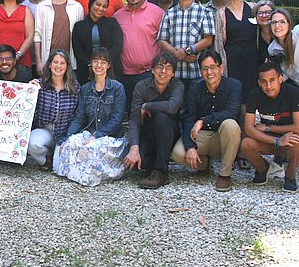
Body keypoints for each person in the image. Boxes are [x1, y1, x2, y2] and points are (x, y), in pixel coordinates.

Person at [53, 47, 127, 186]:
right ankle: (78, 175)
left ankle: (91, 176)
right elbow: (79, 117)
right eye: (96, 61)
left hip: (111, 137)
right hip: (90, 133)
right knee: (71, 144)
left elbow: (117, 119)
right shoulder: (86, 88)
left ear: (108, 65)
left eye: (103, 62)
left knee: (91, 149)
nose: (99, 65)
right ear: (91, 64)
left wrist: (97, 136)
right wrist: (68, 138)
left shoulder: (117, 88)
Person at [171, 50, 242, 192]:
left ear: (221, 68)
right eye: (205, 68)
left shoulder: (234, 85)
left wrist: (203, 121)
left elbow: (232, 112)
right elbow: (189, 119)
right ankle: (203, 165)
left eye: (213, 67)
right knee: (178, 153)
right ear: (200, 71)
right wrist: (190, 147)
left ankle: (224, 174)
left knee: (231, 125)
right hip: (202, 136)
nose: (209, 72)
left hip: (224, 136)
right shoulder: (195, 89)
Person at [123, 53, 184, 189]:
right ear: (152, 70)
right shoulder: (141, 86)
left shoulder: (177, 85)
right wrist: (134, 147)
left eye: (168, 68)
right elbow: (134, 119)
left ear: (173, 73)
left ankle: (161, 172)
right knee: (135, 165)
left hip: (169, 134)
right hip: (148, 133)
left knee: (162, 117)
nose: (163, 71)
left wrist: (147, 106)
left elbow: (172, 107)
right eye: (159, 67)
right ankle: (153, 163)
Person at [241, 61, 299, 192]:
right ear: (259, 83)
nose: (268, 86)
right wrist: (277, 140)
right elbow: (249, 128)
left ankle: (290, 176)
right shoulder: (254, 95)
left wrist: (269, 128)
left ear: (280, 79)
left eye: (272, 80)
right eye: (264, 81)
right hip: (269, 140)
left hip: (289, 139)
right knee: (246, 144)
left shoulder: (293, 93)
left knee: (297, 141)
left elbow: (298, 126)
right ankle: (262, 169)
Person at [157, 0, 215, 96]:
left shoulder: (205, 12)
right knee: (176, 109)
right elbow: (161, 40)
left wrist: (188, 50)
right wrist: (179, 54)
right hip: (174, 73)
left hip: (197, 72)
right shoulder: (169, 13)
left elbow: (208, 40)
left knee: (196, 109)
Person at [113, 0, 165, 107]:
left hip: (148, 73)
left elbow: (165, 41)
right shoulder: (117, 16)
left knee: (148, 110)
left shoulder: (157, 13)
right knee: (130, 111)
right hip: (125, 74)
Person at [28, 49, 80, 166]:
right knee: (31, 144)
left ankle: (55, 158)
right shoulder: (39, 84)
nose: (58, 66)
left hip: (66, 132)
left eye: (62, 63)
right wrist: (29, 91)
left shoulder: (75, 86)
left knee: (59, 167)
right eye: (55, 62)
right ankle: (46, 159)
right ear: (50, 64)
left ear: (67, 66)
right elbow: (25, 107)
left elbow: (78, 114)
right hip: (44, 129)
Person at [33, 0, 84, 77]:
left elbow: (80, 36)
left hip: (71, 64)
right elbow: (37, 35)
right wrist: (38, 61)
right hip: (48, 63)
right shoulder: (42, 7)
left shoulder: (77, 7)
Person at [213, 0, 257, 99]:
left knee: (254, 95)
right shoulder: (221, 14)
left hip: (253, 60)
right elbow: (218, 44)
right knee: (236, 96)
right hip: (232, 62)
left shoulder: (254, 8)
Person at [72, 0, 123, 84]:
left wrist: (103, 63)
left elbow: (118, 46)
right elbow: (78, 51)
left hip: (111, 71)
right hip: (86, 72)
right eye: (98, 4)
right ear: (91, 4)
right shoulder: (79, 26)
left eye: (104, 6)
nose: (101, 9)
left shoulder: (112, 23)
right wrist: (92, 65)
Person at [268, 8, 299, 86]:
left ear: (289, 23)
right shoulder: (272, 49)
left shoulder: (297, 34)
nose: (277, 26)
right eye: (274, 22)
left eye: (282, 22)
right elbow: (286, 74)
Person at [251, 0, 275, 65]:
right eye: (260, 13)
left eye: (268, 12)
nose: (264, 16)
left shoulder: (279, 33)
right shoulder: (253, 35)